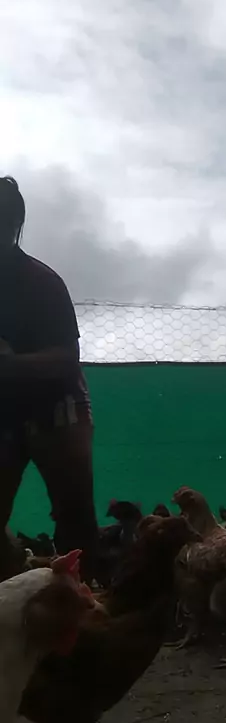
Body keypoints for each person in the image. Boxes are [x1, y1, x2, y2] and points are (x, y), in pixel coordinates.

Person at [0, 176, 98, 581]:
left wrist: (9, 365)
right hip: (5, 413)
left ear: (13, 225)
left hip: (59, 410)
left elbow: (66, 359)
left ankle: (86, 600)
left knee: (75, 516)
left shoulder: (41, 282)